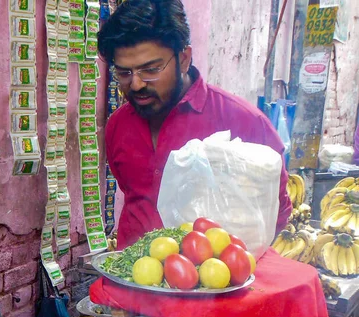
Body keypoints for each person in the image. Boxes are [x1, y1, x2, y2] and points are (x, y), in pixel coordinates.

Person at [98, 0, 292, 249]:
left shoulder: (243, 123)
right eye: (124, 73)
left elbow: (276, 214)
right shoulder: (118, 126)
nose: (136, 84)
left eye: (151, 69)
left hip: (211, 282)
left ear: (184, 59)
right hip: (131, 279)